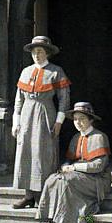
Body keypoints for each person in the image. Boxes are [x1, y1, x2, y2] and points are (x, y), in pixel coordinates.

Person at [12, 35, 71, 209]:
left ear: (47, 53)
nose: (37, 55)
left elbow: (64, 99)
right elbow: (18, 99)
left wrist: (59, 121)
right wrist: (16, 121)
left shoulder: (56, 71)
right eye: (34, 52)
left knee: (43, 153)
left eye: (40, 51)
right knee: (26, 152)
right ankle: (28, 195)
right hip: (26, 115)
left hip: (46, 113)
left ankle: (44, 196)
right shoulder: (26, 72)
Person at [36, 102, 112, 223]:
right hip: (79, 177)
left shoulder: (99, 137)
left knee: (66, 181)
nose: (78, 122)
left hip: (97, 180)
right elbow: (70, 159)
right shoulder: (76, 137)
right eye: (75, 119)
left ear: (91, 119)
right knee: (53, 179)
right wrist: (65, 166)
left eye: (82, 119)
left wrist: (74, 167)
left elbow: (98, 166)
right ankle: (50, 217)